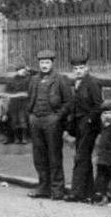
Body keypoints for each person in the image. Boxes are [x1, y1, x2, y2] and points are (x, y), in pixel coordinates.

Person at [26, 49, 72, 201]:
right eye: (41, 62)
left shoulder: (60, 79)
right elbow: (30, 98)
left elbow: (68, 102)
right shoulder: (34, 79)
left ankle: (57, 189)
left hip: (52, 122)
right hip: (36, 121)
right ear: (38, 64)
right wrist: (31, 116)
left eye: (47, 62)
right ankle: (43, 187)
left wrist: (57, 117)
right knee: (39, 157)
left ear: (52, 63)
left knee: (54, 156)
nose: (44, 65)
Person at [66, 53, 103, 203]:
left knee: (81, 157)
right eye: (76, 68)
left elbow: (98, 105)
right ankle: (89, 192)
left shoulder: (92, 82)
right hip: (79, 125)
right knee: (84, 158)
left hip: (89, 126)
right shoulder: (77, 83)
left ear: (87, 68)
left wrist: (89, 120)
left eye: (81, 68)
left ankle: (76, 192)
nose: (79, 70)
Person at [0, 63, 30, 144]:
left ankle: (23, 138)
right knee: (13, 120)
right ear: (17, 71)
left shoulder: (28, 79)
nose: (22, 71)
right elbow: (7, 92)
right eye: (20, 70)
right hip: (13, 103)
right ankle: (15, 138)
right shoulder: (12, 80)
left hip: (23, 103)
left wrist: (29, 70)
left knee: (22, 120)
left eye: (23, 70)